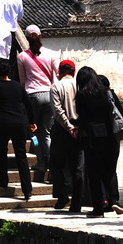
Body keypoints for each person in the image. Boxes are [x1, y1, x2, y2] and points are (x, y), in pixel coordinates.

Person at [0, 58, 36, 201]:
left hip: (3, 123)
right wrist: (32, 121)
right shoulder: (17, 86)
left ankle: (3, 180)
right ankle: (27, 189)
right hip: (20, 123)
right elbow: (28, 104)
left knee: (2, 152)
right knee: (21, 156)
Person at [74, 67, 121, 218]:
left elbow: (82, 116)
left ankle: (98, 207)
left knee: (94, 173)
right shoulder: (107, 92)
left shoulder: (82, 95)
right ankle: (114, 200)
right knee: (109, 170)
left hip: (92, 137)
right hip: (110, 136)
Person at [17, 25, 58, 182]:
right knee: (47, 133)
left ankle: (41, 163)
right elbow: (57, 76)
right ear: (41, 35)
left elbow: (22, 82)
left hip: (32, 95)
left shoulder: (22, 57)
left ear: (26, 38)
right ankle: (52, 164)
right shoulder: (51, 54)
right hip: (49, 94)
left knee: (34, 131)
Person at [49, 59, 84, 212]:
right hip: (78, 128)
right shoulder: (80, 85)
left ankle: (62, 195)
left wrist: (68, 126)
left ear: (60, 72)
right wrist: (76, 127)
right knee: (77, 166)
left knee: (56, 163)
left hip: (62, 129)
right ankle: (77, 201)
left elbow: (57, 110)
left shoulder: (56, 86)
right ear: (73, 71)